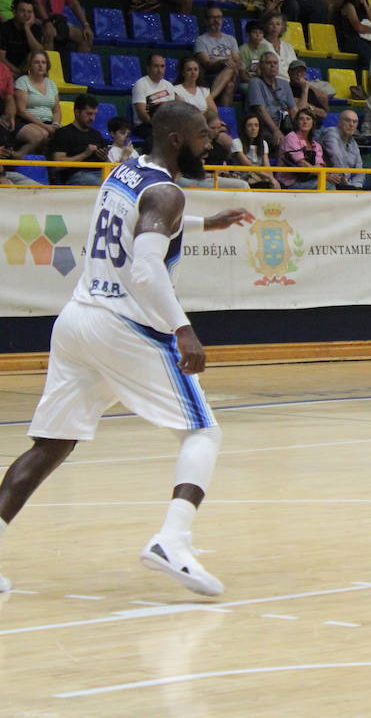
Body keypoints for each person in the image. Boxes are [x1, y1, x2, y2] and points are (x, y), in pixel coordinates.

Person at [0, 103, 252, 596]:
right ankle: (171, 541)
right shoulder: (167, 193)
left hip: (76, 320)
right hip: (123, 327)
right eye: (203, 135)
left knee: (50, 445)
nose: (212, 142)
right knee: (202, 432)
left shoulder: (126, 167)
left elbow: (148, 216)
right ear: (178, 139)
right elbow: (145, 267)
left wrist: (205, 223)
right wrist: (183, 328)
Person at [49, 96, 109, 185]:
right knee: (99, 183)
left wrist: (104, 157)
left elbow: (105, 161)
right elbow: (58, 164)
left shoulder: (96, 134)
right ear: (77, 112)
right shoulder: (63, 133)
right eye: (88, 114)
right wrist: (85, 154)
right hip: (75, 175)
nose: (92, 118)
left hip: (98, 172)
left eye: (94, 114)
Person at [131, 52, 176, 137]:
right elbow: (142, 113)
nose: (159, 70)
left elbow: (171, 111)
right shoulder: (140, 84)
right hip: (145, 125)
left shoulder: (169, 85)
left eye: (162, 66)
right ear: (148, 68)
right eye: (156, 66)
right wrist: (157, 126)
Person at [320, 108, 365, 189]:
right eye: (347, 120)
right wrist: (346, 183)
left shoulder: (353, 143)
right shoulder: (331, 133)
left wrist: (356, 186)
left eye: (355, 122)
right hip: (332, 183)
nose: (351, 124)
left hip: (349, 185)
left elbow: (359, 170)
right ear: (339, 122)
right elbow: (335, 157)